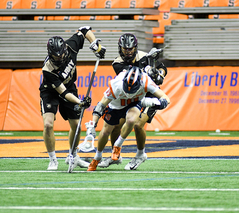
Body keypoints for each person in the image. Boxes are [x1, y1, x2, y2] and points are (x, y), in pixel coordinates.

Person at [39, 26, 106, 171]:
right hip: (51, 91)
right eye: (56, 56)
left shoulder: (70, 46)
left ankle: (73, 156)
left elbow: (84, 30)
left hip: (69, 86)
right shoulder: (48, 70)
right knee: (48, 124)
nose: (60, 58)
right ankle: (52, 159)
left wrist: (95, 45)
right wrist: (80, 102)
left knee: (76, 125)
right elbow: (62, 93)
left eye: (61, 54)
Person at [97, 33, 167, 170]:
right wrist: (149, 71)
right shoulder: (117, 63)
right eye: (125, 49)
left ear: (135, 48)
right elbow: (134, 74)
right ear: (120, 48)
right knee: (116, 125)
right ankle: (115, 155)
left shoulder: (145, 56)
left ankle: (140, 154)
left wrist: (159, 75)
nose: (127, 52)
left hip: (148, 95)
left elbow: (162, 67)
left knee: (138, 124)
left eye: (130, 49)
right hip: (131, 96)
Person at [86, 66, 170, 171]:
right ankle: (97, 157)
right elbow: (100, 106)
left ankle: (118, 145)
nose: (129, 93)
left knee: (131, 120)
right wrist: (92, 125)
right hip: (116, 104)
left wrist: (157, 102)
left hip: (134, 102)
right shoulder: (116, 84)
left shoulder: (146, 81)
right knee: (105, 132)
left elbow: (166, 98)